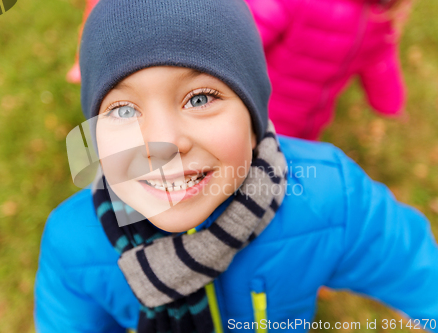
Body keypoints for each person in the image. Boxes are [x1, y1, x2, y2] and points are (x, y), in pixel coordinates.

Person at [35, 0, 438, 332]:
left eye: (199, 99)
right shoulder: (73, 243)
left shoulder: (331, 198)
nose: (164, 143)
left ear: (253, 117)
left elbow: (416, 270)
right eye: (123, 109)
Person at [245, 0, 411, 140]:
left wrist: (390, 102)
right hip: (256, 115)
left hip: (308, 124)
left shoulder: (377, 15)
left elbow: (380, 60)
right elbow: (245, 33)